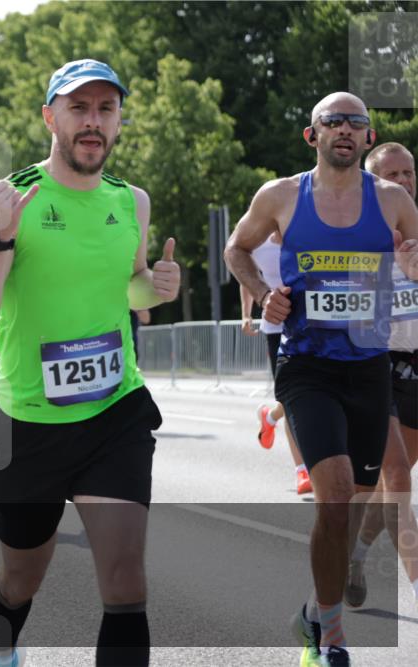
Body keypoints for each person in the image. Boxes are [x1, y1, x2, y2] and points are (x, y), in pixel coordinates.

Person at [0, 59, 179, 667]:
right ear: (50, 116)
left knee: (126, 581)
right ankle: (4, 636)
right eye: (78, 109)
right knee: (22, 576)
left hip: (115, 411)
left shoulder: (130, 201)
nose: (93, 122)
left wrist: (153, 286)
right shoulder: (5, 203)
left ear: (119, 121)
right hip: (25, 422)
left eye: (105, 109)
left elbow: (125, 290)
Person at [224, 92, 418, 667]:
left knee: (355, 500)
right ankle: (329, 638)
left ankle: (314, 608)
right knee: (333, 497)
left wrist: (411, 267)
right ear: (312, 136)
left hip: (367, 366)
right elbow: (238, 248)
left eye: (355, 123)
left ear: (366, 136)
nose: (344, 130)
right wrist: (264, 299)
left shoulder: (393, 201)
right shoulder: (281, 196)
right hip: (306, 365)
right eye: (331, 122)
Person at [345, 142, 418, 609]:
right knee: (397, 479)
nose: (402, 181)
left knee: (389, 485)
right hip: (377, 365)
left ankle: (355, 555)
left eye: (408, 172)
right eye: (390, 174)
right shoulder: (355, 235)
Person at [239, 233, 313, 495]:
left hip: (312, 324)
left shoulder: (305, 225)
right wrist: (247, 314)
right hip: (276, 327)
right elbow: (245, 272)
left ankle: (269, 417)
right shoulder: (257, 234)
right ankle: (302, 470)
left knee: (313, 391)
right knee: (292, 398)